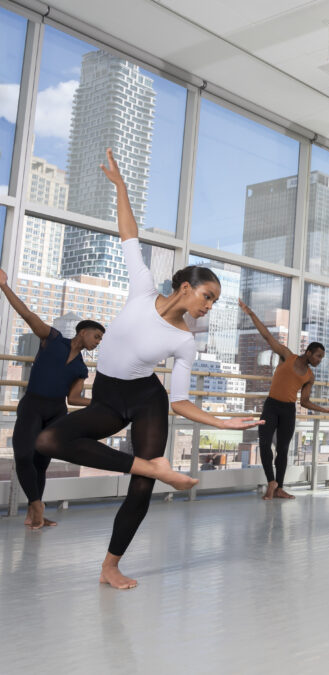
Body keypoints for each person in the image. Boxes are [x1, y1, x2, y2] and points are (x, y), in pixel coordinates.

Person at [34, 148, 262, 589]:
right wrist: (120, 188)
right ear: (185, 287)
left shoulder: (183, 340)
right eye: (207, 296)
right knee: (49, 438)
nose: (209, 305)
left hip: (146, 399)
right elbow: (129, 236)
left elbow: (178, 400)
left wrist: (221, 421)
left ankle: (110, 566)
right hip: (108, 397)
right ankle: (150, 466)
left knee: (141, 486)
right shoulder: (142, 291)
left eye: (213, 301)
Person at [1, 268, 103, 528]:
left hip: (57, 411)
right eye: (96, 336)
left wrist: (99, 403)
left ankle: (33, 514)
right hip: (33, 405)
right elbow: (27, 314)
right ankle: (37, 506)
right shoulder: (52, 339)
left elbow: (74, 399)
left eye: (100, 340)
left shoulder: (82, 368)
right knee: (23, 456)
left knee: (41, 463)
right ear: (82, 332)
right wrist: (3, 286)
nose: (97, 342)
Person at [240, 300, 329, 500]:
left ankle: (279, 488)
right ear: (309, 352)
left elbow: (304, 402)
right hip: (271, 406)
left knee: (283, 450)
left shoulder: (310, 376)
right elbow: (268, 337)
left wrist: (324, 410)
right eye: (318, 356)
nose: (319, 360)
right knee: (265, 443)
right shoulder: (287, 356)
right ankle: (271, 482)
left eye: (322, 358)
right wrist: (250, 313)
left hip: (288, 410)